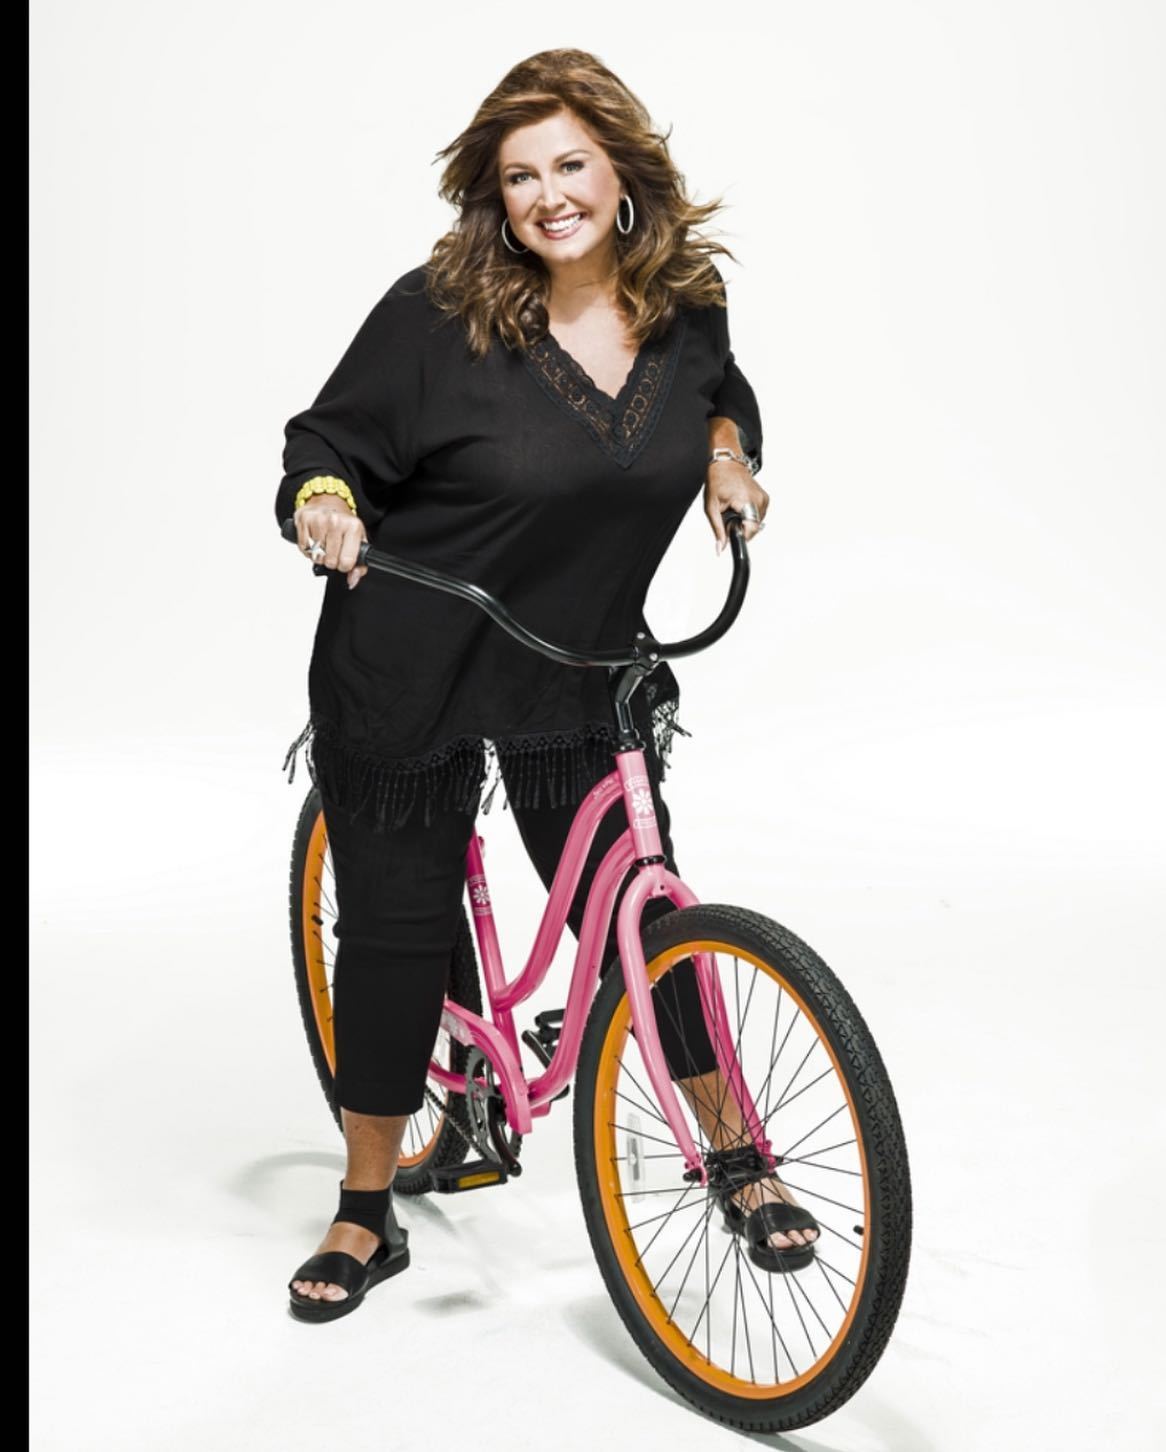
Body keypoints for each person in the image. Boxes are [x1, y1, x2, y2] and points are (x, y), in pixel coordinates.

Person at [276, 48, 818, 1322]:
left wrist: (727, 459)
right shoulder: (439, 313)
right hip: (412, 656)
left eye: (571, 163)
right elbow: (326, 441)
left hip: (575, 663)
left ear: (623, 171)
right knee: (399, 928)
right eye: (521, 175)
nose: (549, 194)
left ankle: (736, 1158)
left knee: (642, 916)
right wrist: (325, 504)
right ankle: (365, 1208)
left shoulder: (684, 303)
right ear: (496, 195)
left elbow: (721, 395)